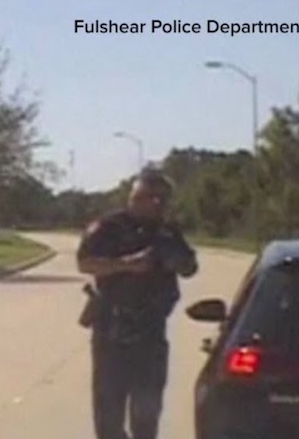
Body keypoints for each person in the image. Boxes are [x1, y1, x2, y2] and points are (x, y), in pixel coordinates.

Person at [76, 169, 198, 439]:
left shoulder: (168, 232)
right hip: (112, 330)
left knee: (147, 413)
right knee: (109, 412)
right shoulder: (108, 227)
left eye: (162, 199)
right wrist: (125, 265)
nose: (157, 204)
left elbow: (190, 267)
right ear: (135, 197)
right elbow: (84, 262)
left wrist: (174, 260)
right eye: (149, 197)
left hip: (151, 332)